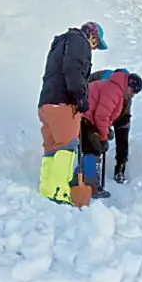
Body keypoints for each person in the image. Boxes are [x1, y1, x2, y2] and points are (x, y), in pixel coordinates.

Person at [37, 21, 107, 204]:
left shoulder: (61, 43)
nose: (94, 49)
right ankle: (60, 191)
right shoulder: (79, 42)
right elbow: (73, 70)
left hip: (46, 103)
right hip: (64, 103)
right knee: (67, 147)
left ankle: (47, 188)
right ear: (92, 36)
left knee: (52, 148)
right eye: (96, 44)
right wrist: (81, 97)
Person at [79, 70, 142, 197]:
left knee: (91, 148)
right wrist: (103, 138)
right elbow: (101, 116)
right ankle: (91, 186)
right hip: (83, 117)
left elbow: (108, 117)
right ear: (128, 86)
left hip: (87, 117)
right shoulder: (114, 90)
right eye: (132, 92)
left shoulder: (118, 93)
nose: (132, 96)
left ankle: (82, 179)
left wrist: (107, 131)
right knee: (93, 148)